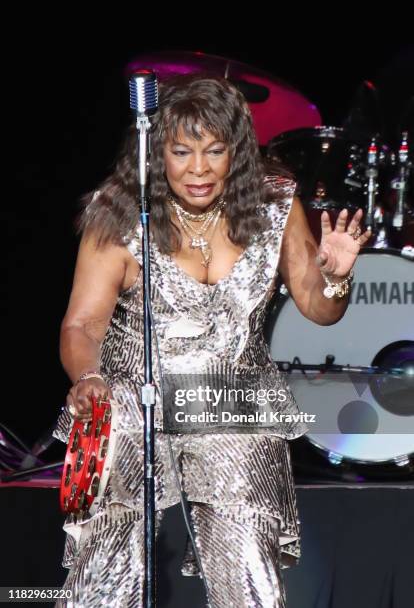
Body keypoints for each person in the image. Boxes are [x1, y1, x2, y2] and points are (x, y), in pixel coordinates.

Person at [53, 74, 371, 607]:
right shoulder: (121, 212)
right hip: (135, 396)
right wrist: (89, 378)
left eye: (214, 151)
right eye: (181, 152)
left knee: (249, 565)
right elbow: (82, 326)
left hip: (229, 398)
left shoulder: (273, 205)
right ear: (158, 153)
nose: (198, 169)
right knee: (107, 569)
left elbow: (320, 308)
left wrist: (335, 275)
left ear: (237, 153)